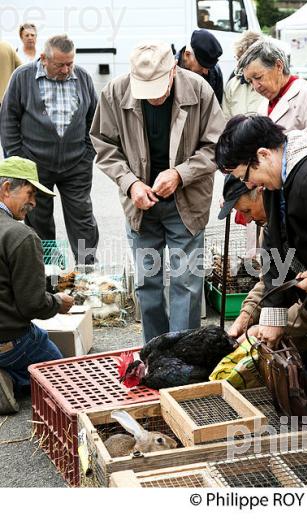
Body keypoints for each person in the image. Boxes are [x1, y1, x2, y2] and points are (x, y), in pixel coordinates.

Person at [90, 42, 224, 342]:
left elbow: (217, 146)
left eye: (158, 89)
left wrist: (180, 174)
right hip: (140, 204)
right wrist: (130, 182)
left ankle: (181, 356)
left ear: (173, 70)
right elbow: (103, 144)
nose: (152, 97)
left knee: (187, 284)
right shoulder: (114, 92)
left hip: (186, 203)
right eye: (144, 90)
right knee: (146, 285)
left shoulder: (200, 91)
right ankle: (155, 352)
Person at [218, 169, 307, 408]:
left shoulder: (302, 221)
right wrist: (246, 316)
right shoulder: (271, 230)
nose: (245, 220)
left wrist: (269, 325)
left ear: (261, 190)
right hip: (305, 334)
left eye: (246, 211)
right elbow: (269, 282)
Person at [0, 34, 99, 265]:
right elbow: (8, 120)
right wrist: (20, 162)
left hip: (76, 165)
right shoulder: (22, 77)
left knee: (82, 221)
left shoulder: (82, 77)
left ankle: (88, 270)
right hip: (35, 168)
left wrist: (87, 155)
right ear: (43, 58)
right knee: (39, 220)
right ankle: (50, 273)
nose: (66, 70)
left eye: (70, 63)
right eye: (60, 64)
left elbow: (94, 121)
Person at [0, 156, 74, 415]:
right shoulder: (21, 235)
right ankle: (15, 377)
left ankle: (12, 377)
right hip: (9, 340)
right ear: (7, 188)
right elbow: (32, 304)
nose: (33, 202)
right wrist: (58, 303)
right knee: (62, 379)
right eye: (30, 193)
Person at [237, 39, 307, 130]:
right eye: (250, 81)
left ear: (279, 66)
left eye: (258, 77)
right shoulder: (263, 105)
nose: (255, 86)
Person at [222, 30, 265, 121]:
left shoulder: (270, 83)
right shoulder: (232, 85)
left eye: (243, 62)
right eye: (238, 59)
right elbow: (225, 119)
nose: (239, 66)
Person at [176, 29, 224, 105]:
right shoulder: (171, 71)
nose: (206, 72)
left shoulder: (215, 70)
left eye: (209, 67)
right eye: (202, 66)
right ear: (187, 54)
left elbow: (217, 105)